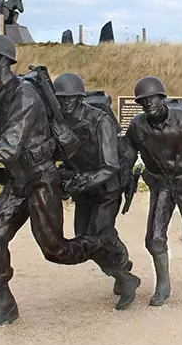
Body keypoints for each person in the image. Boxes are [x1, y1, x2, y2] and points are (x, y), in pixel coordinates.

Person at [0, 34, 106, 330]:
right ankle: (5, 304)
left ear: (3, 60)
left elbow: (8, 148)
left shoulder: (25, 94)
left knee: (56, 250)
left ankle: (105, 249)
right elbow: (1, 142)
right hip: (17, 180)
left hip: (41, 178)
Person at [122, 76, 182, 306]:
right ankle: (163, 284)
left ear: (162, 98)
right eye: (143, 101)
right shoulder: (137, 126)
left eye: (152, 99)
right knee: (154, 238)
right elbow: (126, 154)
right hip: (161, 185)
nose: (148, 104)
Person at [53, 72, 141, 310]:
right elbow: (62, 157)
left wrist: (83, 180)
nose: (66, 102)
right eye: (61, 98)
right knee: (84, 242)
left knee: (96, 237)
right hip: (84, 191)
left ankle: (124, 273)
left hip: (107, 187)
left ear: (81, 97)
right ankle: (120, 265)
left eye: (72, 97)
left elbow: (111, 165)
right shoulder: (59, 123)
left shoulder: (99, 120)